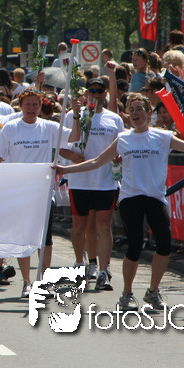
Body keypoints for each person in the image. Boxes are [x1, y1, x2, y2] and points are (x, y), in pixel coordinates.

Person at [56, 93, 184, 311]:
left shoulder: (162, 136)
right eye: (131, 110)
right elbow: (97, 161)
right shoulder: (124, 138)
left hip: (155, 197)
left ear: (148, 113)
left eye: (139, 109)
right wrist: (65, 170)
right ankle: (126, 294)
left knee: (164, 244)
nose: (135, 113)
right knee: (135, 245)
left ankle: (153, 291)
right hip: (130, 198)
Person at [0, 87, 76, 297]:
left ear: (40, 107)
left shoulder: (49, 127)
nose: (31, 108)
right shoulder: (10, 128)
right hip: (19, 193)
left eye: (35, 104)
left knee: (44, 240)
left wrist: (77, 115)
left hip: (43, 193)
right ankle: (27, 281)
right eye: (27, 104)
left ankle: (44, 281)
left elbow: (74, 136)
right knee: (24, 238)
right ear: (21, 106)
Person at [63, 77, 125, 291]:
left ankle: (103, 271)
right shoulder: (73, 115)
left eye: (100, 91)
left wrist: (119, 157)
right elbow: (60, 146)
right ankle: (80, 263)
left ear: (105, 93)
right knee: (80, 227)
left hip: (105, 181)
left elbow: (122, 146)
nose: (96, 95)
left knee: (104, 226)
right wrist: (71, 155)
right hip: (79, 180)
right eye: (92, 91)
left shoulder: (114, 119)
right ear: (86, 93)